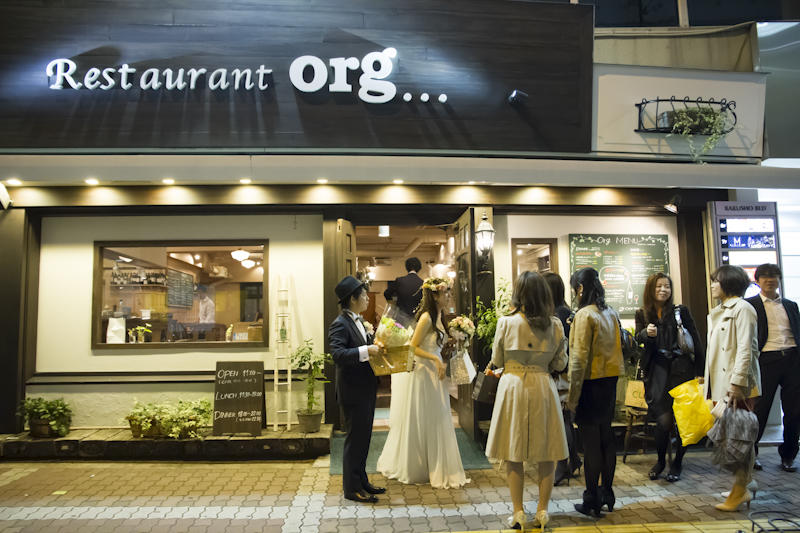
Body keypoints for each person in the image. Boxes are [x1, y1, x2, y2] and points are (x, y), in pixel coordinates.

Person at [485, 271, 568, 531]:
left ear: (518, 294)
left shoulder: (506, 323)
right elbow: (560, 363)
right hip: (542, 384)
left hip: (513, 385)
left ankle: (518, 512)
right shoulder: (555, 325)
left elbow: (497, 359)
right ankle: (542, 511)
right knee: (548, 451)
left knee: (514, 451)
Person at [377, 277, 469, 489]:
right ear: (435, 295)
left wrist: (453, 340)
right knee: (427, 416)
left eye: (449, 292)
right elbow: (412, 346)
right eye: (445, 292)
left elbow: (434, 344)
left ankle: (434, 465)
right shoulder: (427, 317)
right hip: (424, 372)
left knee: (437, 416)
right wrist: (435, 359)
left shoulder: (440, 316)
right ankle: (422, 465)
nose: (449, 295)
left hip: (434, 372)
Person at [634, 272, 705, 482]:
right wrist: (646, 333)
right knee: (663, 421)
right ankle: (660, 461)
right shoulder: (642, 313)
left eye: (667, 286)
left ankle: (677, 463)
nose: (663, 290)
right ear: (651, 289)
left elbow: (696, 340)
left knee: (683, 419)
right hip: (656, 371)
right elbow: (637, 338)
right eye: (659, 286)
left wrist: (700, 371)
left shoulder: (680, 311)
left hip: (681, 369)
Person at [567, 267, 625, 518]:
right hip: (609, 382)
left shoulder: (585, 315)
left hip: (590, 384)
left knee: (590, 444)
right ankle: (607, 493)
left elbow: (578, 359)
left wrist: (572, 397)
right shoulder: (610, 312)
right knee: (605, 439)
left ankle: (591, 499)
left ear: (580, 288)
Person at [705, 265, 761, 511]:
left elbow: (746, 349)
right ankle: (744, 483)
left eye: (715, 281)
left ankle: (740, 491)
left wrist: (737, 383)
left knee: (740, 436)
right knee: (733, 435)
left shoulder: (743, 308)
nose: (712, 285)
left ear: (728, 283)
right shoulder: (722, 310)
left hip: (737, 385)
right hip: (723, 383)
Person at [329, 275, 385, 503]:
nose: (367, 298)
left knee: (364, 439)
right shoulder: (340, 323)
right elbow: (337, 354)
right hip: (353, 391)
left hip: (365, 388)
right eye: (363, 295)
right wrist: (366, 350)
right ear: (352, 299)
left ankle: (362, 480)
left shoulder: (358, 321)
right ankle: (351, 489)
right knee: (354, 441)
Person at [746, 263, 800, 473]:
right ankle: (751, 454)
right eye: (765, 276)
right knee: (760, 410)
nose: (770, 279)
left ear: (779, 279)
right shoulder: (749, 305)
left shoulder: (791, 305)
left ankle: (789, 455)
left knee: (794, 412)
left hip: (792, 359)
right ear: (757, 280)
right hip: (765, 360)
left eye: (774, 276)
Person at [543, 272, 581, 487]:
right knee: (564, 418)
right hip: (564, 373)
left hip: (561, 375)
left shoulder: (559, 314)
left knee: (562, 419)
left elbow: (561, 349)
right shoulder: (563, 311)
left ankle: (562, 466)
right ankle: (573, 460)